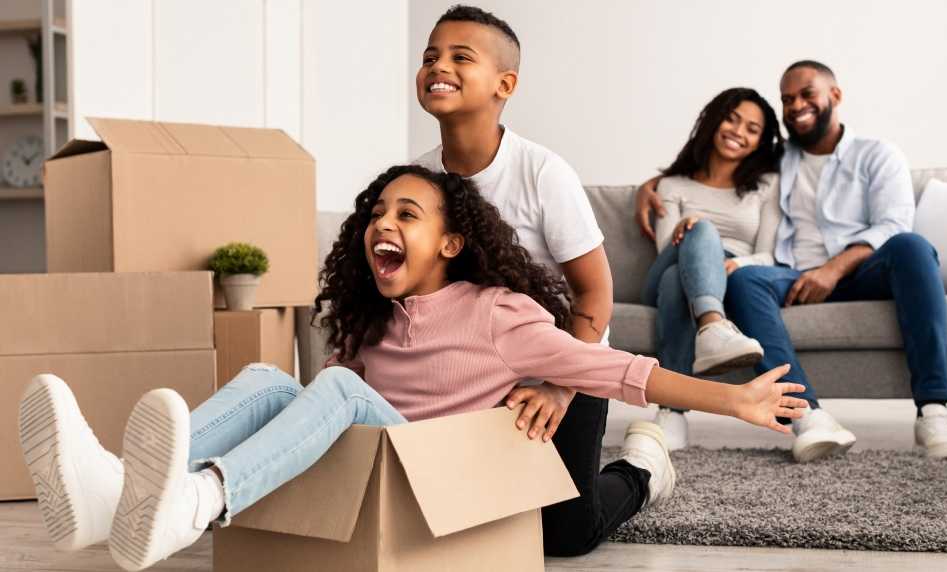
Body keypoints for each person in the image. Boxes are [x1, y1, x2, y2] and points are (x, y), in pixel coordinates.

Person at [19, 166, 807, 570]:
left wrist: (728, 403)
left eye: (406, 214)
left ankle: (199, 501)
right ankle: (112, 495)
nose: (380, 224)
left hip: (444, 474)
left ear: (454, 242)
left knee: (568, 531)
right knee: (272, 381)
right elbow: (332, 418)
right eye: (374, 213)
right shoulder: (370, 320)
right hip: (389, 472)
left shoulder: (500, 313)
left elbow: (619, 369)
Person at [634, 60, 947, 463]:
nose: (796, 105)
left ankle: (933, 412)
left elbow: (894, 224)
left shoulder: (876, 154)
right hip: (791, 274)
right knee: (741, 281)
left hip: (864, 269)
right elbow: (709, 169)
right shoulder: (779, 161)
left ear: (835, 95)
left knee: (913, 247)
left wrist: (833, 269)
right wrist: (648, 186)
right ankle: (808, 416)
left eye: (806, 93)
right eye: (787, 99)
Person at [411, 5, 628, 555]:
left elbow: (596, 294)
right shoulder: (417, 179)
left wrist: (561, 386)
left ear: (504, 84)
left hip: (561, 366)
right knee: (448, 523)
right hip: (469, 375)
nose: (440, 65)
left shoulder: (543, 173)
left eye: (463, 56)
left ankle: (645, 470)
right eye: (431, 55)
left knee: (566, 535)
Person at [637, 87, 784, 450]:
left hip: (732, 275)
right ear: (713, 121)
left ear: (760, 141)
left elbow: (768, 256)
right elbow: (665, 249)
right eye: (731, 119)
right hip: (676, 259)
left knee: (676, 282)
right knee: (695, 234)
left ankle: (671, 412)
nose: (738, 131)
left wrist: (734, 264)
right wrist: (697, 228)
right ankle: (713, 327)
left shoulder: (767, 185)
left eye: (752, 128)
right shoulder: (671, 185)